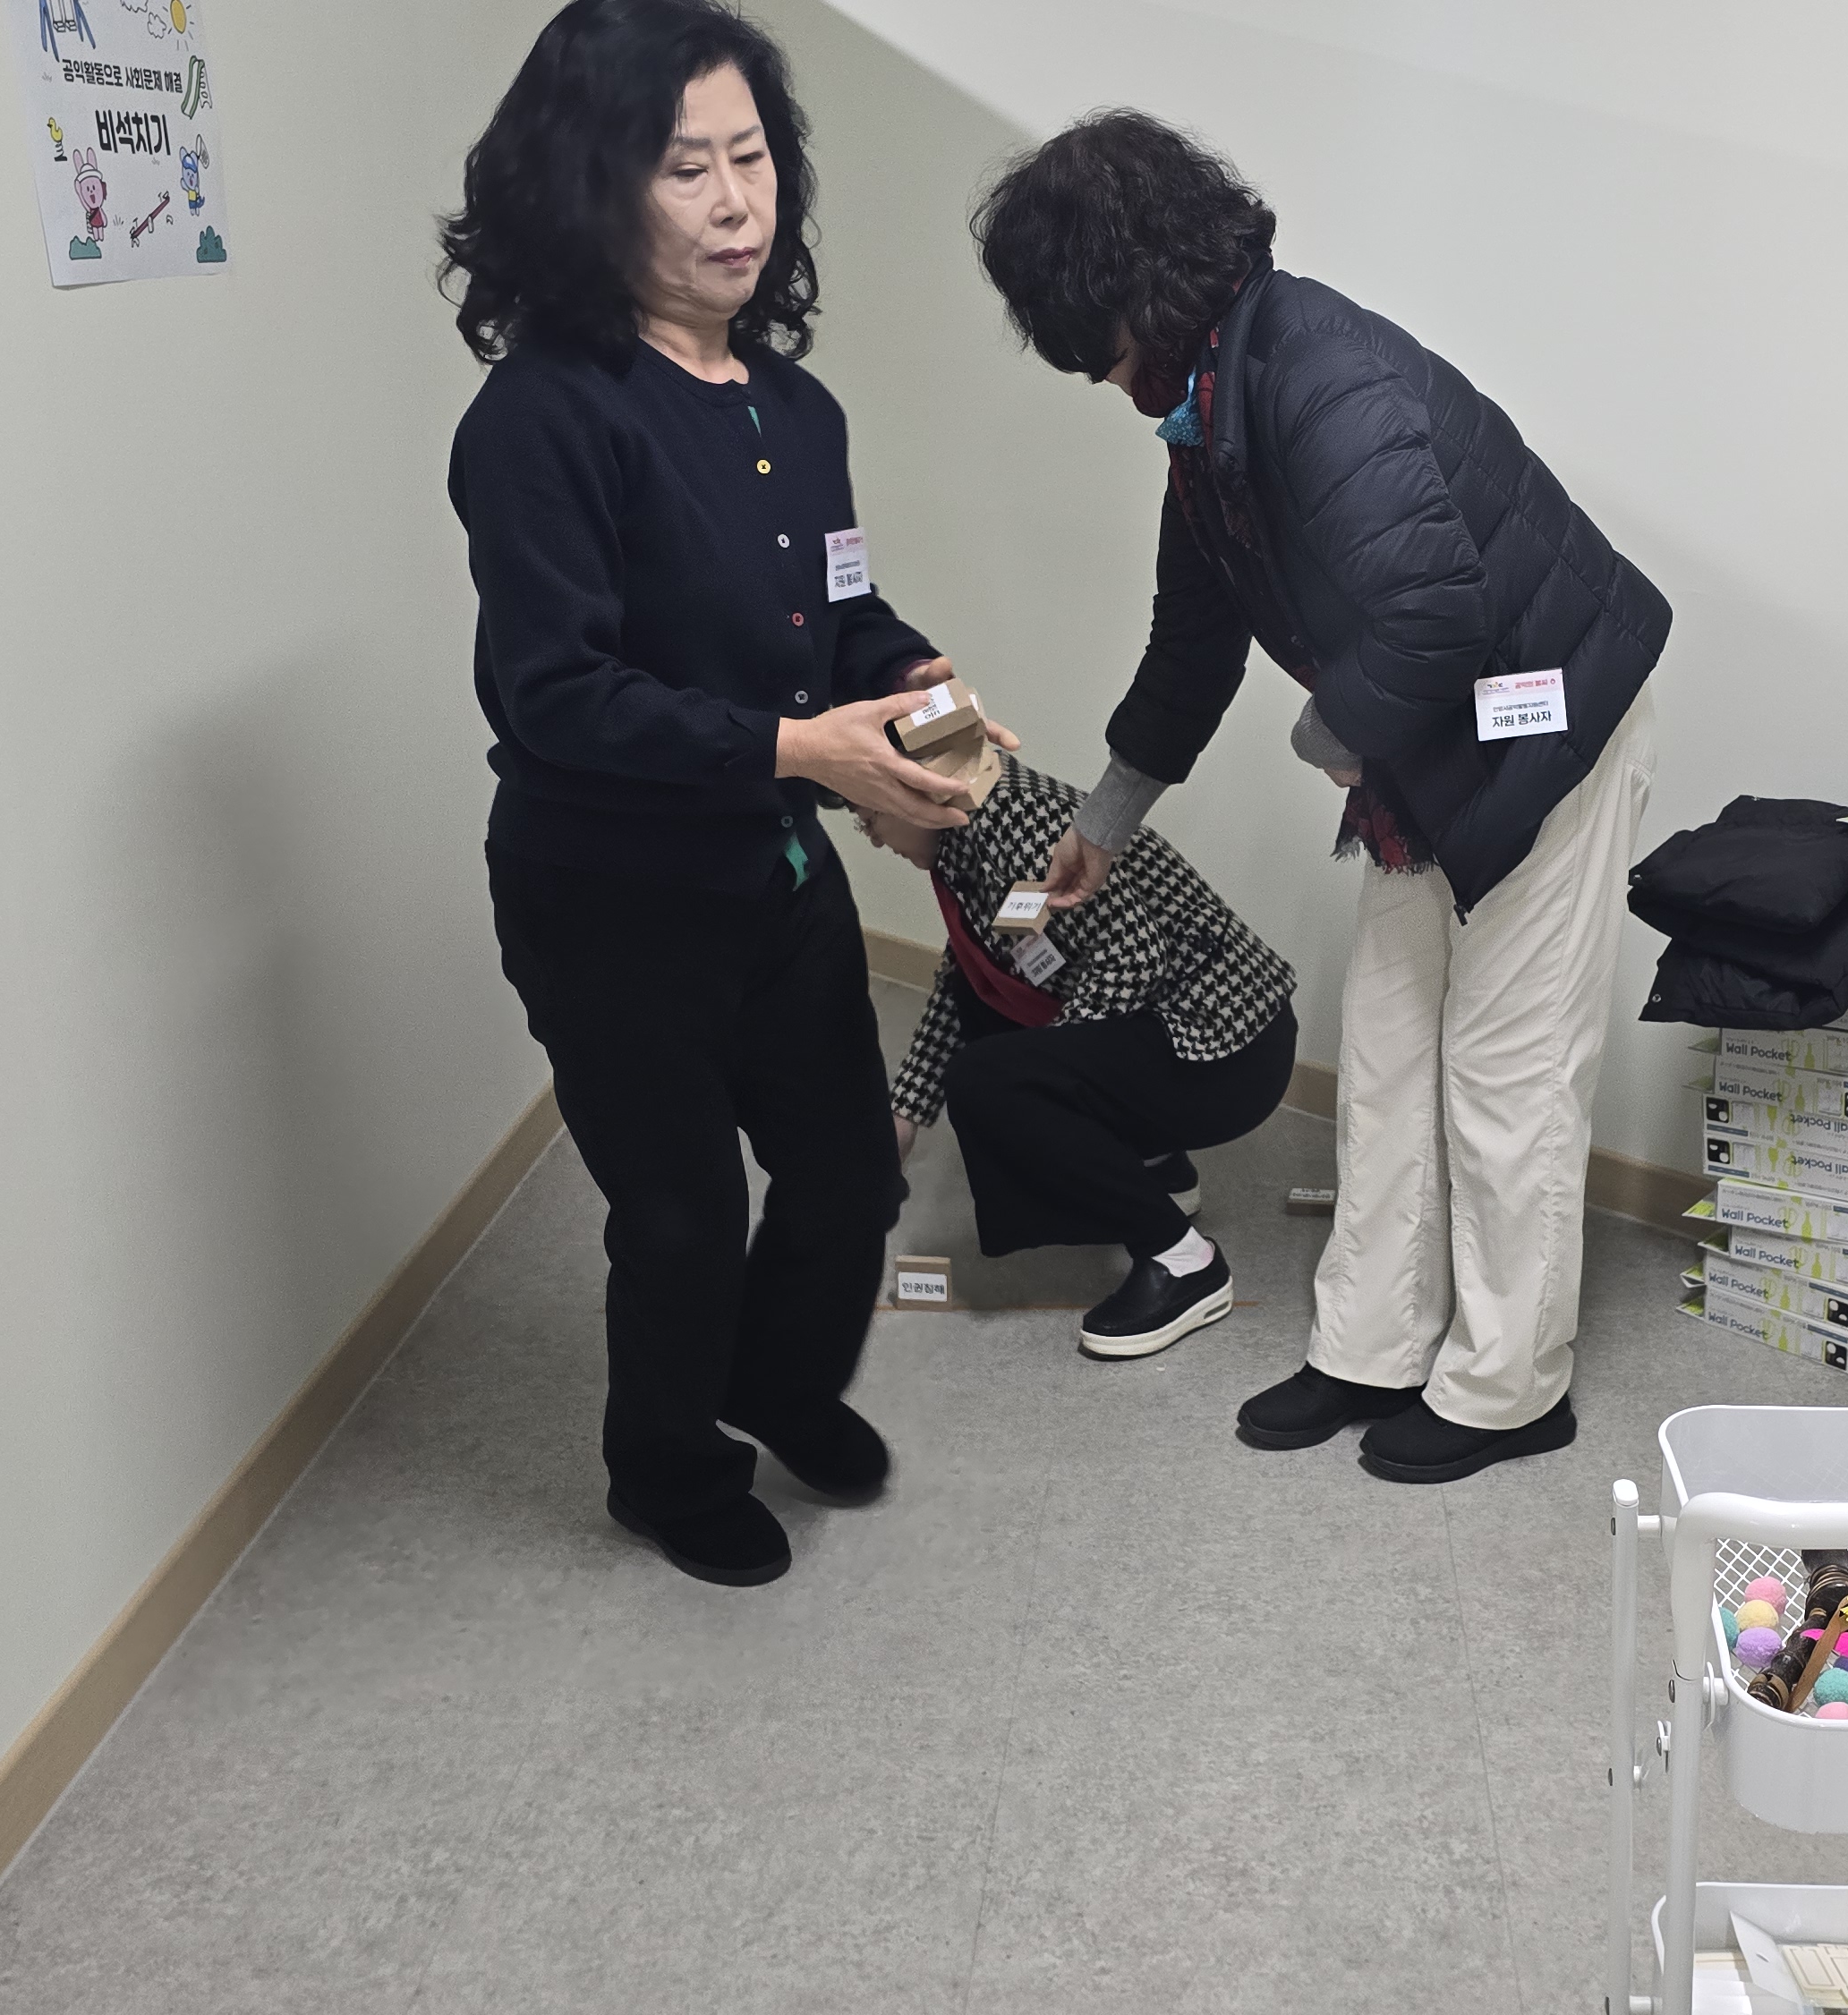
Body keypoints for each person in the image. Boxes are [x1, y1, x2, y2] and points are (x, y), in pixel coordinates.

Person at [972, 115, 1670, 1484]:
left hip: (1551, 721)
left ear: (1140, 291)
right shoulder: (1214, 409)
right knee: (1393, 1054)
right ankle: (1370, 1347)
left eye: (1093, 345)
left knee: (1508, 1074)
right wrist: (1102, 827)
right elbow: (1192, 643)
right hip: (1433, 736)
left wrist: (1327, 735)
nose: (1102, 382)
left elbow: (1431, 610)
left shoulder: (1316, 374)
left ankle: (1509, 1388)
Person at [439, 0, 1009, 1586]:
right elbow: (557, 696)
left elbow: (837, 614)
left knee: (849, 1174)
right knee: (681, 1216)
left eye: (751, 158)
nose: (735, 202)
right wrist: (806, 751)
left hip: (772, 875)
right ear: (590, 186)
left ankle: (777, 1382)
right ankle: (667, 1469)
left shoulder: (793, 410)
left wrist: (917, 686)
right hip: (608, 897)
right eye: (685, 168)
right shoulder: (541, 418)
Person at [847, 757, 1299, 1357]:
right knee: (988, 1023)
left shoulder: (1016, 821)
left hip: (1230, 1053)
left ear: (914, 792)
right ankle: (1158, 1170)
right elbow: (973, 977)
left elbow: (1132, 955)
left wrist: (1049, 1080)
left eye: (868, 818)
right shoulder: (972, 833)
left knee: (991, 1081)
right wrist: (903, 1117)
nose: (874, 839)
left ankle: (1183, 1261)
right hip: (1194, 1035)